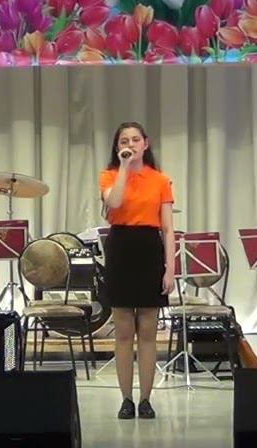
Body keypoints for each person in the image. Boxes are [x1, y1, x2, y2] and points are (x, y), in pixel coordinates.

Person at [100, 122, 176, 420]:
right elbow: (115, 202)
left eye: (135, 140)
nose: (129, 145)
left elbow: (168, 229)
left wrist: (170, 269)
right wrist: (123, 168)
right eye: (124, 141)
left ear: (146, 143)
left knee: (147, 331)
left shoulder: (160, 180)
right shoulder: (109, 175)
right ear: (117, 146)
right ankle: (126, 399)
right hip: (120, 248)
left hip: (149, 249)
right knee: (123, 332)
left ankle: (145, 398)